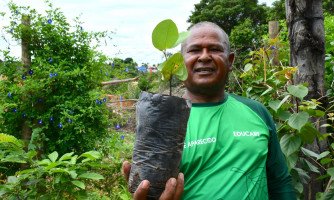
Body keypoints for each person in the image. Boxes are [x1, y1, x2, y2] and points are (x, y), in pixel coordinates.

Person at [123, 21, 296, 200]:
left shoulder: (256, 112)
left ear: (230, 61)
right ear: (180, 63)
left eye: (214, 49)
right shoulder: (164, 122)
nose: (204, 56)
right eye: (195, 50)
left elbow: (279, 181)